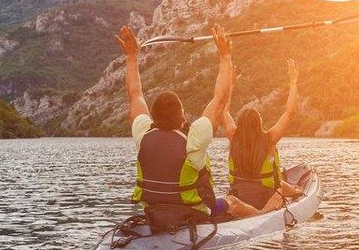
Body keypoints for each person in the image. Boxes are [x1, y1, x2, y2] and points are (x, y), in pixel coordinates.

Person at [115, 23, 254, 231]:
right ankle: (266, 216)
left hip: (154, 212)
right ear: (182, 119)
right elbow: (220, 100)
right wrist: (225, 57)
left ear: (152, 117)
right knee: (232, 202)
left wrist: (131, 58)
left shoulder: (143, 133)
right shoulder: (194, 139)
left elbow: (134, 95)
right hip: (192, 214)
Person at [221, 59, 305, 212]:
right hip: (266, 202)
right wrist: (293, 81)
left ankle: (294, 190)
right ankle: (291, 193)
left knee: (278, 182)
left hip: (238, 200)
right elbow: (290, 112)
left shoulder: (233, 136)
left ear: (240, 125)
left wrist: (231, 84)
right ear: (259, 123)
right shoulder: (270, 139)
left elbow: (224, 110)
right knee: (277, 182)